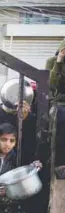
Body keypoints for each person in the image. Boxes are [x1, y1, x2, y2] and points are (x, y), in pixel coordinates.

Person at [0, 123, 42, 196]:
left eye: (12, 141)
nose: (7, 144)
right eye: (4, 140)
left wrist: (31, 168)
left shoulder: (13, 156)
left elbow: (17, 174)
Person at [46, 39, 65, 168]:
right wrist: (59, 61)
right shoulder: (52, 61)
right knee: (61, 115)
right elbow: (51, 85)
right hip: (58, 101)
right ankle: (59, 162)